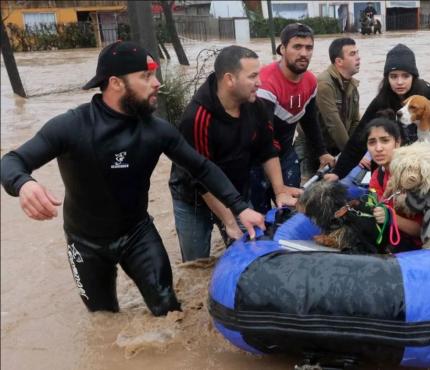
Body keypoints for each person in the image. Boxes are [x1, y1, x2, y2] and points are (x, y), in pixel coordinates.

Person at [0, 41, 265, 316]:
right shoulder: (71, 127)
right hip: (85, 243)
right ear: (116, 83)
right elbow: (11, 162)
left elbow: (202, 167)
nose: (157, 83)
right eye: (146, 76)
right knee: (103, 319)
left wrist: (240, 207)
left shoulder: (158, 130)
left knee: (169, 312)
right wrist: (24, 184)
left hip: (138, 235)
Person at [169, 46, 301, 262]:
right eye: (253, 76)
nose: (260, 82)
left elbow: (267, 150)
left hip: (237, 193)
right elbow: (199, 177)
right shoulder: (197, 117)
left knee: (250, 253)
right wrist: (229, 221)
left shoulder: (254, 106)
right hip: (193, 198)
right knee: (197, 265)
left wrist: (279, 190)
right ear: (229, 79)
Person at [324, 43, 430, 182]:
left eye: (405, 76)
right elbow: (359, 138)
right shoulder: (382, 99)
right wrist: (338, 172)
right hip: (393, 167)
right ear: (387, 78)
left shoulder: (425, 93)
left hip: (426, 166)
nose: (399, 82)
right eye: (393, 76)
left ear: (413, 77)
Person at [251, 23, 335, 213]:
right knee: (261, 216)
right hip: (257, 159)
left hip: (286, 153)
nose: (304, 53)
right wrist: (277, 187)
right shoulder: (266, 82)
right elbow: (264, 140)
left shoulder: (311, 81)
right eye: (297, 47)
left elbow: (310, 120)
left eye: (309, 47)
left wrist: (322, 152)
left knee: (291, 211)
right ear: (282, 49)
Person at [294, 37, 361, 180]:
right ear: (339, 61)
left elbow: (356, 122)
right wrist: (352, 155)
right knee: (305, 191)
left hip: (335, 146)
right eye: (352, 54)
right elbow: (333, 123)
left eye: (357, 53)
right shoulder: (324, 83)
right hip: (311, 148)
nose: (358, 58)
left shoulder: (353, 86)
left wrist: (360, 149)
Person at [364, 117, 423, 252]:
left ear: (397, 143)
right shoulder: (377, 176)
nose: (378, 148)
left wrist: (391, 217)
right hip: (395, 242)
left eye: (385, 141)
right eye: (372, 142)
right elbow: (373, 209)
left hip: (421, 250)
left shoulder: (413, 175)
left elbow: (423, 229)